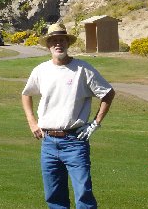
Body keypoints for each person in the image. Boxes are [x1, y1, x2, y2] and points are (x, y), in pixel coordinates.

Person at [21, 23, 115, 209]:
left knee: (84, 196)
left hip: (75, 141)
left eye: (62, 40)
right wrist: (32, 122)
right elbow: (26, 94)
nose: (58, 44)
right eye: (54, 41)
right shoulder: (41, 70)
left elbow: (108, 93)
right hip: (48, 142)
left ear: (67, 43)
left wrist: (95, 123)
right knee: (54, 197)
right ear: (48, 45)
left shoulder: (82, 69)